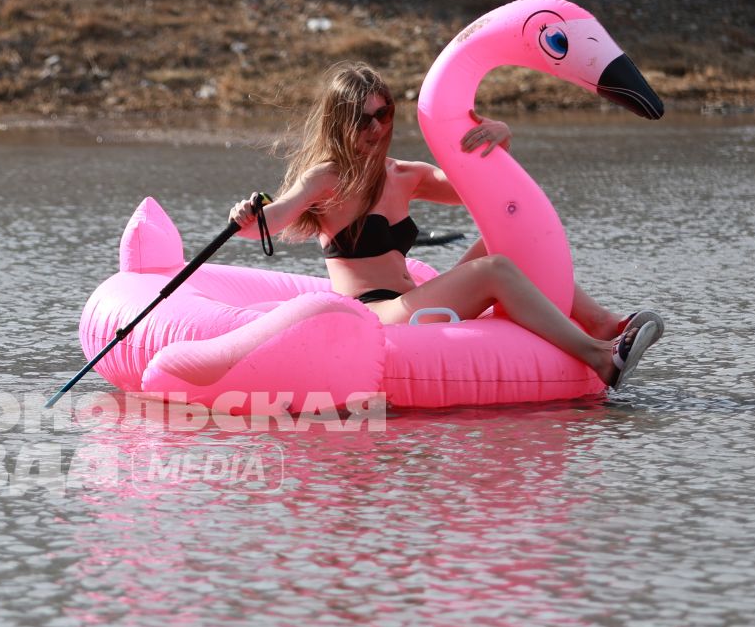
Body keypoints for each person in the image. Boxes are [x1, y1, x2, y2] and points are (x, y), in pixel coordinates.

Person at [230, 61, 662, 389]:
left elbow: (480, 190)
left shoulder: (404, 174)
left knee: (507, 239)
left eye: (385, 114)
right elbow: (272, 220)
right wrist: (247, 218)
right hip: (374, 315)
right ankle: (600, 357)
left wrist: (499, 137)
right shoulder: (326, 179)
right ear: (340, 121)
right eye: (364, 119)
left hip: (412, 301)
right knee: (494, 270)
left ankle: (605, 324)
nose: (377, 127)